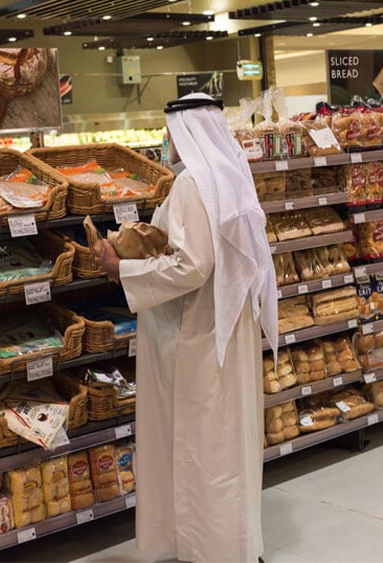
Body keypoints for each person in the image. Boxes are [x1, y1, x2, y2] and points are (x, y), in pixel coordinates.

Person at [93, 93, 278, 563]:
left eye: (169, 131)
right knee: (226, 445)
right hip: (225, 330)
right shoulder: (228, 176)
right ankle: (233, 544)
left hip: (198, 336)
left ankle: (206, 550)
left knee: (200, 448)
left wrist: (122, 270)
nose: (166, 141)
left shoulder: (194, 184)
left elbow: (193, 265)